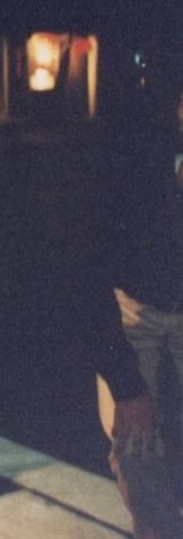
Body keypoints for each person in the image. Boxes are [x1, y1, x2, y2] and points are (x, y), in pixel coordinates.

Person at [97, 87, 183, 538]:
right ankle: (153, 524)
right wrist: (125, 382)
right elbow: (89, 268)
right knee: (134, 437)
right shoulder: (134, 147)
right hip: (133, 302)